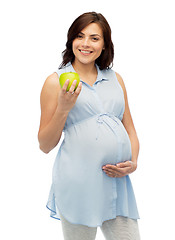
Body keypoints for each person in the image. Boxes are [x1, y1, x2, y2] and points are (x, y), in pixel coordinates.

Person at [38, 11, 140, 240]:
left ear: (104, 45)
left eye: (94, 38)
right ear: (71, 40)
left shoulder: (116, 79)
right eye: (80, 36)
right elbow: (44, 144)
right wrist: (63, 108)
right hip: (78, 184)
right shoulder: (55, 82)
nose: (85, 44)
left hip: (117, 183)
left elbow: (130, 128)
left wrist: (133, 162)